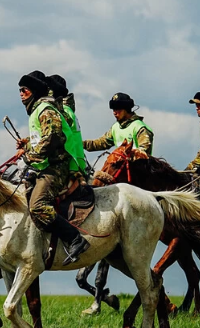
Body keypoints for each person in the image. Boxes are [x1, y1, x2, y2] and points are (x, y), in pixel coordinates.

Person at [16, 71, 89, 265]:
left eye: (24, 90)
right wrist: (27, 148)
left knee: (38, 206)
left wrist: (30, 156)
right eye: (20, 90)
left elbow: (54, 139)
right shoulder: (38, 111)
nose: (21, 93)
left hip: (56, 167)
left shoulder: (45, 110)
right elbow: (42, 140)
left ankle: (75, 239)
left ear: (34, 92)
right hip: (45, 165)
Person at [82, 93, 153, 158]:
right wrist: (81, 144)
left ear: (126, 109)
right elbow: (101, 143)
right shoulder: (115, 127)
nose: (114, 112)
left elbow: (143, 153)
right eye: (113, 109)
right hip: (120, 168)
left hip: (138, 169)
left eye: (117, 109)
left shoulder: (140, 128)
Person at [45, 74, 88, 175]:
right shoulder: (66, 110)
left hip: (72, 165)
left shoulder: (64, 111)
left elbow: (55, 136)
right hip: (75, 161)